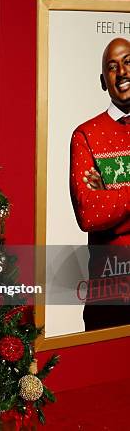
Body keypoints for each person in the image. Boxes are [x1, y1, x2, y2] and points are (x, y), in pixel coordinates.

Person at [69, 37, 130, 331]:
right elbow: (91, 214)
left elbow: (106, 210)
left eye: (128, 62)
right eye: (112, 67)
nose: (122, 72)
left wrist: (113, 196)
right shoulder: (85, 136)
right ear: (103, 81)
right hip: (111, 295)